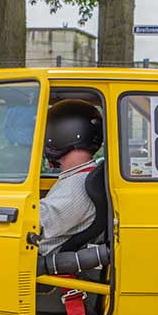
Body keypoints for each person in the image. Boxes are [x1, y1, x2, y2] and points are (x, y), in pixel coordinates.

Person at [39, 99, 104, 256]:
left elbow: (34, 224)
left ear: (60, 134)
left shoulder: (77, 186)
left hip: (37, 264)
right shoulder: (80, 176)